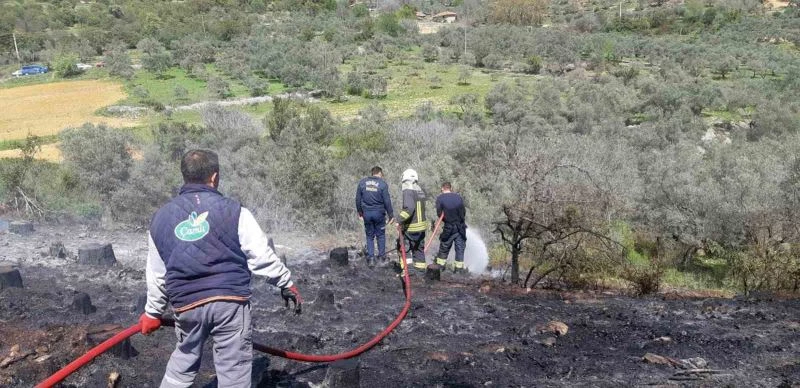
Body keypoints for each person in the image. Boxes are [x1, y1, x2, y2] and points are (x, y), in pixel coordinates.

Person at [139, 149, 302, 388]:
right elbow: (260, 255)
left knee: (183, 362)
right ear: (214, 177)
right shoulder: (235, 211)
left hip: (187, 305)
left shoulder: (160, 218)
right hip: (230, 303)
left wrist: (153, 313)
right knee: (233, 372)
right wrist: (285, 283)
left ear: (184, 176)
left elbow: (157, 274)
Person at [355, 166, 394, 267]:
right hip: (379, 214)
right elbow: (387, 201)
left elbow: (357, 199)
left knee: (369, 236)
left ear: (372, 173)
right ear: (380, 173)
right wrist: (391, 215)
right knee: (380, 235)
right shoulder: (382, 184)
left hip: (367, 213)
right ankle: (381, 257)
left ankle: (371, 259)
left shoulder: (362, 182)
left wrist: (360, 212)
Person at [397, 168, 428, 271]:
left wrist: (399, 220)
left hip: (411, 228)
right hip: (421, 228)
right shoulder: (420, 190)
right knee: (418, 250)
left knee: (403, 248)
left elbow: (409, 208)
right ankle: (420, 273)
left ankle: (408, 271)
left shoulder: (408, 190)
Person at [434, 182, 468, 274]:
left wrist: (446, 218)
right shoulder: (458, 197)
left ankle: (440, 268)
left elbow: (439, 214)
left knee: (444, 246)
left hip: (449, 227)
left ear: (442, 188)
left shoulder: (440, 198)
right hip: (460, 227)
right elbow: (463, 212)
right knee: (460, 248)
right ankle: (458, 271)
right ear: (451, 188)